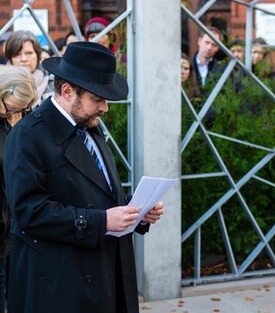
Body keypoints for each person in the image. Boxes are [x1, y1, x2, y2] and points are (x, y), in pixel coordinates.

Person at [3, 41, 164, 313]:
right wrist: (101, 221)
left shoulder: (88, 125)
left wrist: (134, 210)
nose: (105, 108)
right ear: (67, 91)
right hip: (60, 286)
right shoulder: (28, 135)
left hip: (105, 275)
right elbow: (28, 211)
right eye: (97, 99)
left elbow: (93, 191)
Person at [0, 66, 37, 313]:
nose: (15, 114)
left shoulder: (13, 121)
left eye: (21, 110)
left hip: (11, 226)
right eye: (11, 108)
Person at [4, 30, 53, 104]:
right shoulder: (3, 84)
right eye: (17, 54)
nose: (24, 59)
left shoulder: (54, 83)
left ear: (38, 55)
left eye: (29, 53)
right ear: (11, 59)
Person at [190, 27, 225, 96]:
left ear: (218, 48)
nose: (209, 47)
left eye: (214, 45)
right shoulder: (187, 65)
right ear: (199, 41)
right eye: (207, 42)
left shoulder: (222, 70)